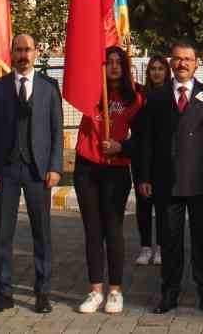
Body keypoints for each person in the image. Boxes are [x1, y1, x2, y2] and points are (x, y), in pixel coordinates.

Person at [133, 40, 203, 314]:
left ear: (196, 63)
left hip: (202, 181)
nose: (182, 64)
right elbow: (146, 143)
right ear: (171, 62)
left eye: (188, 59)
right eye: (177, 59)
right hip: (167, 183)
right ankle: (169, 292)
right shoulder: (156, 98)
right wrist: (143, 176)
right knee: (171, 241)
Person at [0, 32, 63, 315]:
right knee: (3, 232)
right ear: (11, 53)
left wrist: (55, 167)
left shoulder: (49, 88)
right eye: (18, 50)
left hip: (38, 170)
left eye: (28, 49)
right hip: (6, 169)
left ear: (36, 52)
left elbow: (56, 131)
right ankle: (4, 294)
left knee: (42, 232)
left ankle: (42, 293)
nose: (23, 55)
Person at [73, 46, 143, 315]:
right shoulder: (91, 93)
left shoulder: (135, 98)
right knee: (92, 231)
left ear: (125, 67)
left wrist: (121, 147)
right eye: (109, 62)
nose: (113, 67)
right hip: (87, 167)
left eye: (118, 62)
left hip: (116, 169)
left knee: (113, 230)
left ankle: (115, 291)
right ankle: (95, 290)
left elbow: (142, 140)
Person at [133, 55, 171, 268]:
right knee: (144, 204)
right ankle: (146, 247)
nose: (157, 72)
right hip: (141, 158)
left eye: (161, 69)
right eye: (153, 69)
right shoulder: (141, 95)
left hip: (164, 159)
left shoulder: (171, 95)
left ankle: (162, 247)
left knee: (163, 206)